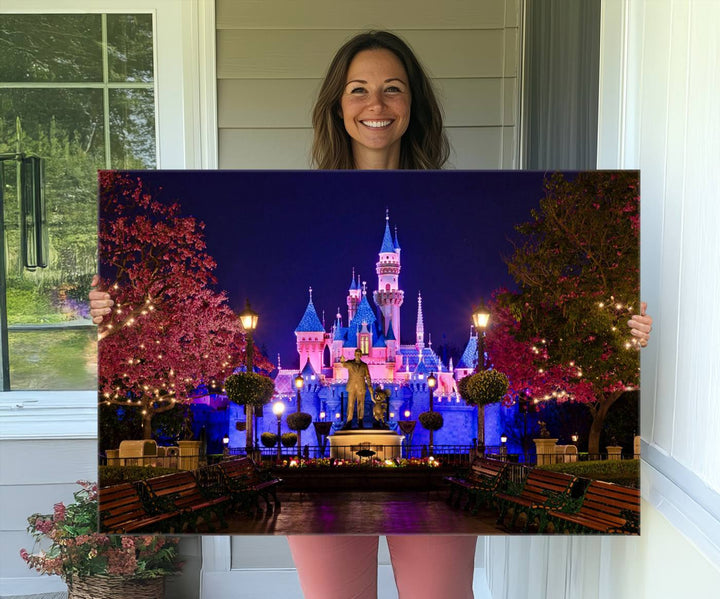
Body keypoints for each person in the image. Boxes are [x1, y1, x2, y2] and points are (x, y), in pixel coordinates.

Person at [91, 30, 653, 599]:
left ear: (414, 105)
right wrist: (110, 314)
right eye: (358, 89)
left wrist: (628, 330)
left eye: (393, 89)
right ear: (338, 105)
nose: (376, 104)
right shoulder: (340, 332)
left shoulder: (400, 316)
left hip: (419, 485)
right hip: (332, 490)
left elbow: (396, 356)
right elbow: (340, 355)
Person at [340, 349, 373, 429]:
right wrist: (342, 361)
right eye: (356, 354)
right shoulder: (350, 363)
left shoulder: (364, 365)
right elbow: (343, 364)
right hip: (352, 387)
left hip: (361, 387)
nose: (358, 355)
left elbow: (368, 377)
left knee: (361, 404)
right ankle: (349, 421)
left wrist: (369, 386)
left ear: (361, 355)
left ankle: (360, 421)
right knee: (350, 404)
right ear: (354, 354)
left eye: (359, 354)